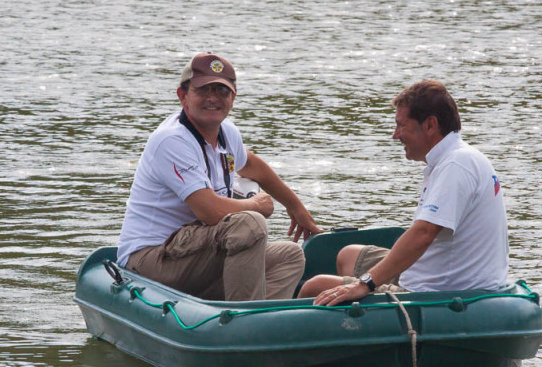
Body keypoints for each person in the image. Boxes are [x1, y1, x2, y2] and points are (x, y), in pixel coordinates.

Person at [116, 52, 322, 301]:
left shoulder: (227, 134)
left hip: (193, 253)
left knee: (289, 255)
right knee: (249, 223)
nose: (213, 99)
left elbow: (255, 168)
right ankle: (242, 322)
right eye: (203, 90)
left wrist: (297, 209)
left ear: (233, 98)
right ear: (183, 96)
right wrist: (255, 205)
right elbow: (209, 211)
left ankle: (262, 322)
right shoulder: (173, 140)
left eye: (222, 91)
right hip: (151, 258)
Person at [299, 80, 509, 306]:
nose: (395, 135)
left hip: (439, 289)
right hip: (438, 270)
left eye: (401, 126)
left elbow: (424, 233)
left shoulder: (456, 165)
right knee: (348, 254)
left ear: (430, 125)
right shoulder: (457, 157)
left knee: (314, 287)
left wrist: (365, 284)